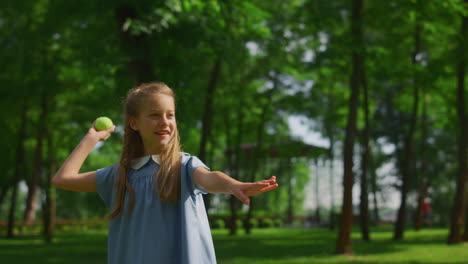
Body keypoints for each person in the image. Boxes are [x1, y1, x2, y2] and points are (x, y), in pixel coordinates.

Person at [52, 81, 279, 264]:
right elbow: (63, 179)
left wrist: (232, 185)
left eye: (170, 115)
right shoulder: (118, 176)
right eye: (154, 115)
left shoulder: (183, 166)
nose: (165, 122)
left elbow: (209, 178)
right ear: (134, 123)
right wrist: (91, 138)